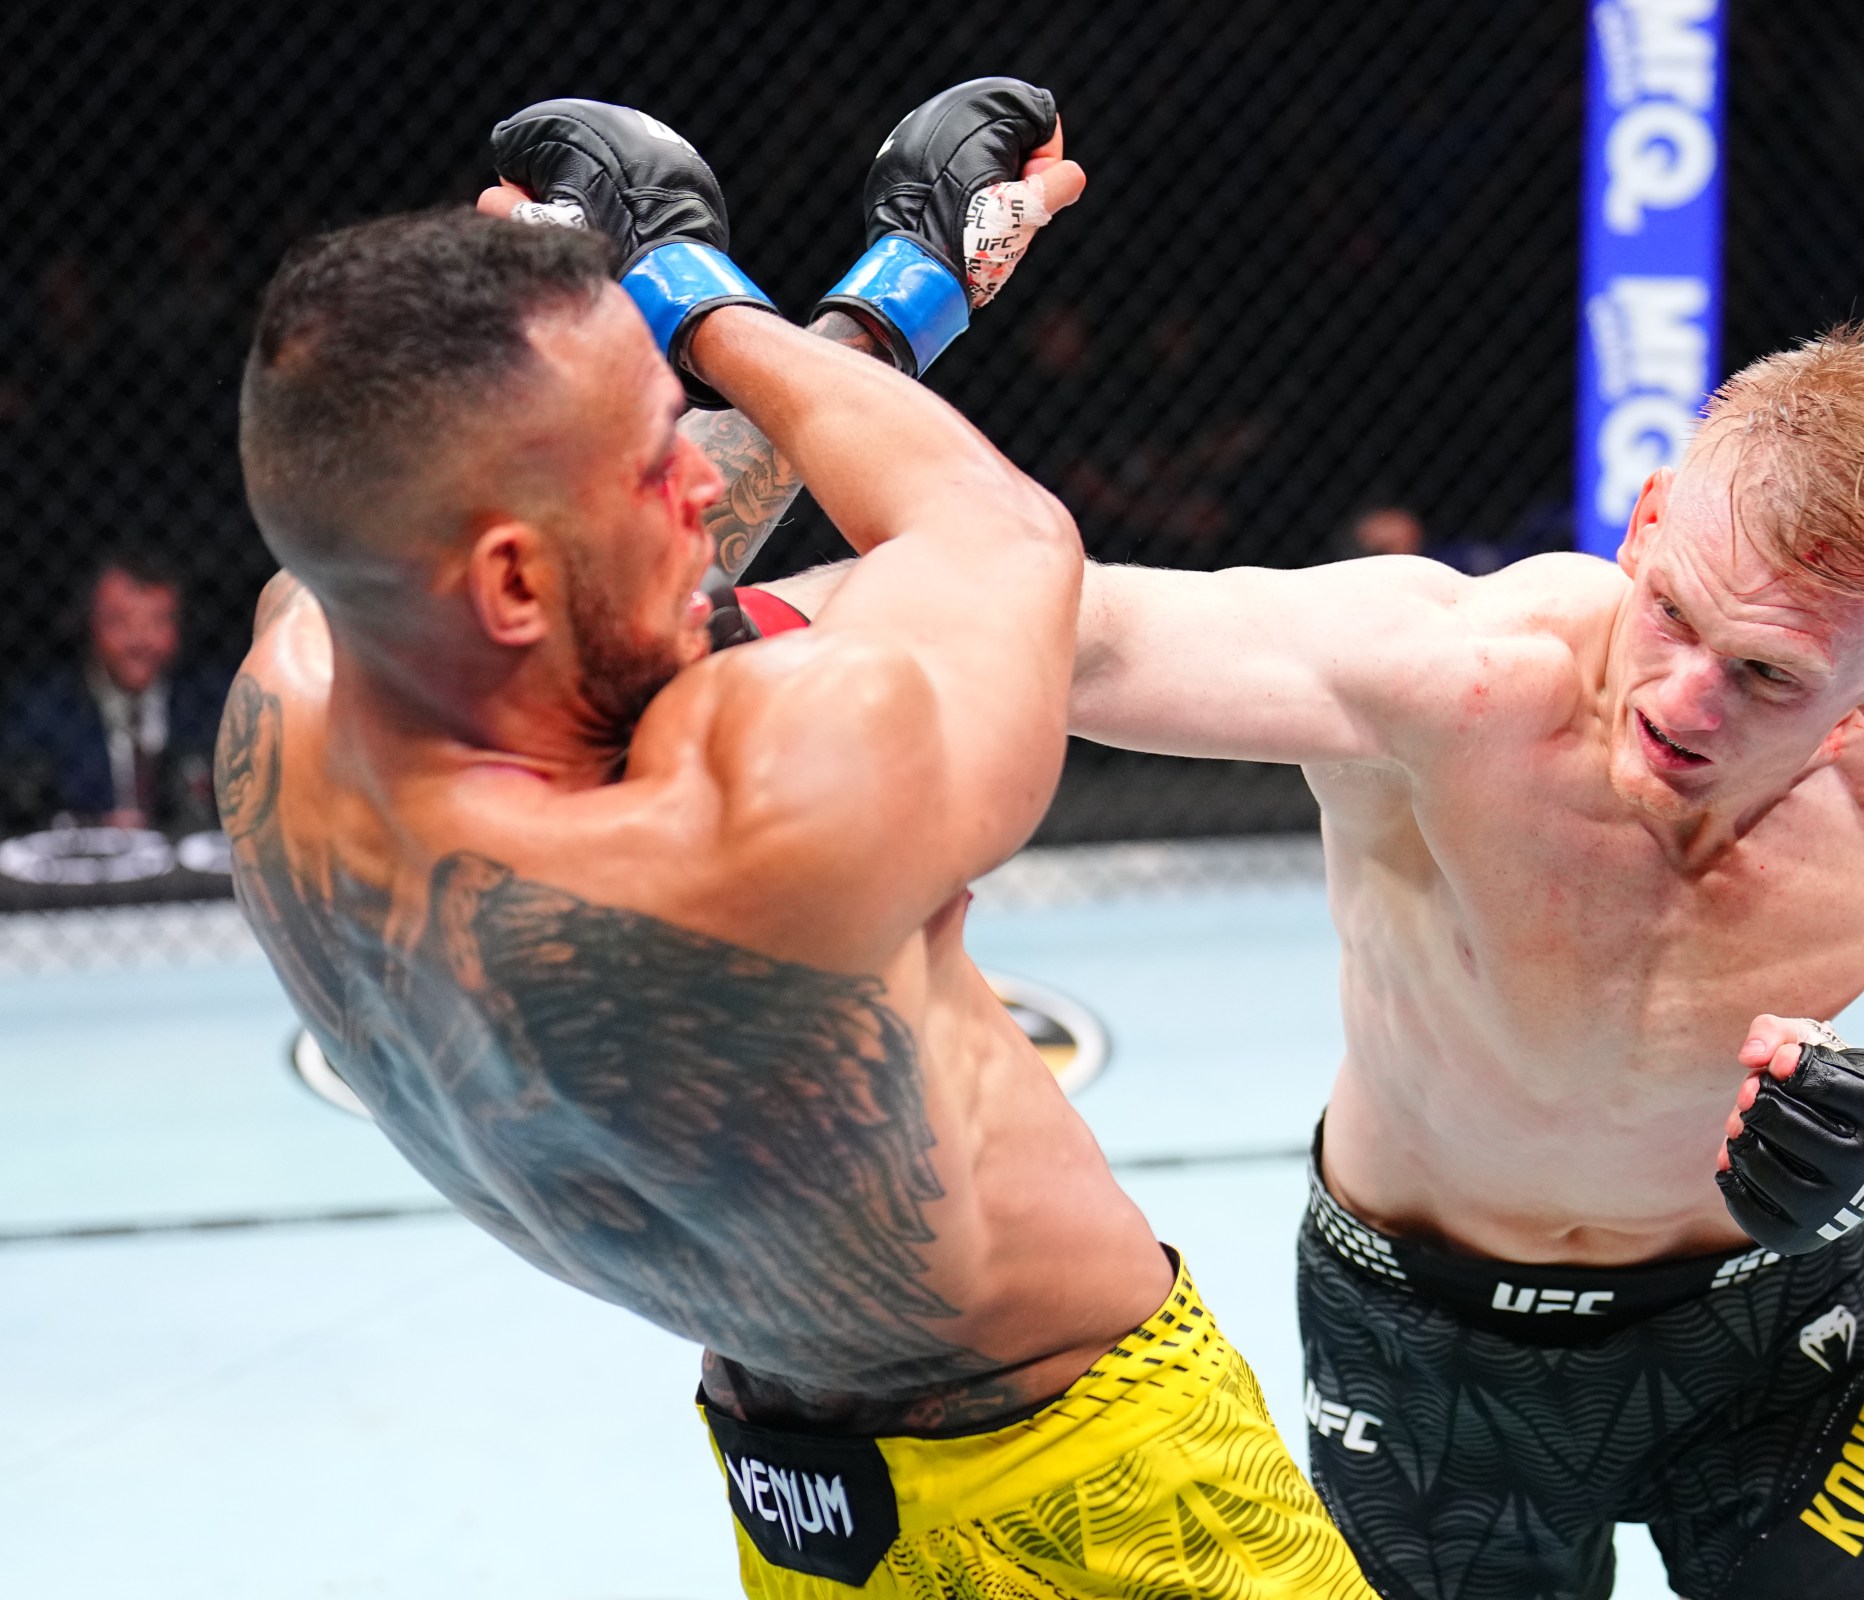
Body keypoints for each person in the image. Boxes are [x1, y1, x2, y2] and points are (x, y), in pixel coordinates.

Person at [813, 292, 1864, 1600]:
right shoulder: (1452, 673)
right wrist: (709, 632)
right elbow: (1065, 631)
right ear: (1645, 526)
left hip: (1772, 1330)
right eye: (1678, 613)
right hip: (1421, 1337)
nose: (1685, 701)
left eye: (1771, 678)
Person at [222, 89, 1373, 1600]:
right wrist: (708, 297)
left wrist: (689, 333)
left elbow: (596, 575)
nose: (708, 474)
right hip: (1101, 1498)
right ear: (509, 580)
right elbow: (994, 541)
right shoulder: (761, 804)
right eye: (659, 460)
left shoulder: (288, 711)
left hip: (793, 1504)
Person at [1, 546, 223, 830]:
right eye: (119, 622)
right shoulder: (40, 713)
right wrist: (90, 826)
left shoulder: (213, 706)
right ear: (88, 623)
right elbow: (20, 814)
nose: (139, 641)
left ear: (180, 627)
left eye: (158, 622)